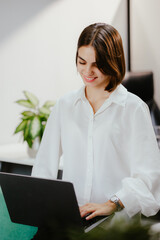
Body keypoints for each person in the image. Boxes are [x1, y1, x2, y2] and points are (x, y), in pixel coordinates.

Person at [32, 23, 160, 235]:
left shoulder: (134, 108)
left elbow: (149, 175)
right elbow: (44, 166)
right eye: (82, 62)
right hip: (72, 220)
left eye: (97, 65)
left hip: (115, 226)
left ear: (113, 63)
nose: (87, 71)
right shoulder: (65, 105)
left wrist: (112, 203)